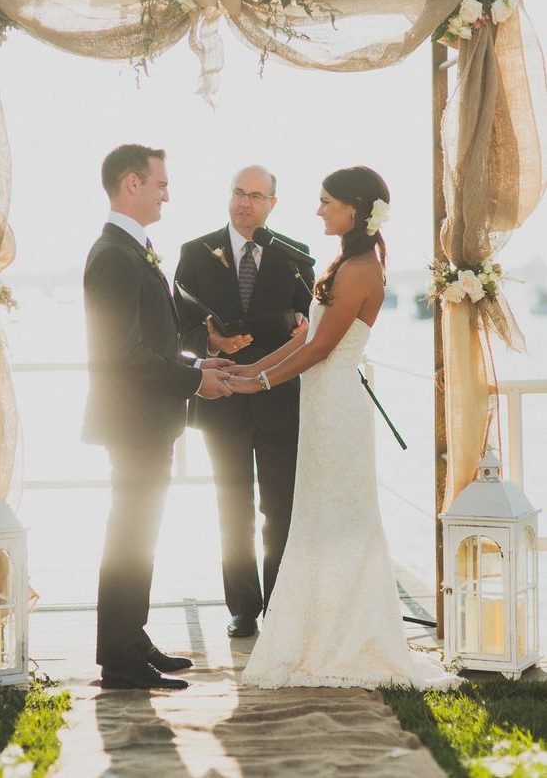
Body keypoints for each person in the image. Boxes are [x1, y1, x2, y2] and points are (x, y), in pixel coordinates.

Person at [228, 166, 460, 690]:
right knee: (314, 516)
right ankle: (318, 627)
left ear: (353, 209)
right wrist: (245, 371)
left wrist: (259, 384)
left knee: (338, 518)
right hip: (322, 403)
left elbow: (321, 349)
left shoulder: (360, 269)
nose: (318, 210)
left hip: (337, 411)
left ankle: (345, 633)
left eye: (325, 201)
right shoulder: (344, 261)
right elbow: (307, 334)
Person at [83, 144, 233, 690]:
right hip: (134, 424)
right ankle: (119, 659)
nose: (168, 193)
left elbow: (154, 340)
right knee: (130, 536)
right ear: (132, 184)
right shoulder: (113, 256)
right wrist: (196, 381)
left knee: (139, 535)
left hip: (149, 420)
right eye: (161, 183)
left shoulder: (133, 248)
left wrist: (197, 360)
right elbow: (121, 354)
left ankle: (132, 637)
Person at [173, 165, 314, 639]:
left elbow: (312, 323)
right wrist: (211, 344)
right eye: (238, 192)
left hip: (279, 400)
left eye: (256, 195)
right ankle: (242, 607)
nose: (244, 202)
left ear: (273, 203)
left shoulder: (295, 255)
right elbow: (178, 327)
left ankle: (281, 600)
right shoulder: (194, 252)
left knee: (281, 507)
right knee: (230, 507)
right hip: (222, 398)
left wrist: (299, 320)